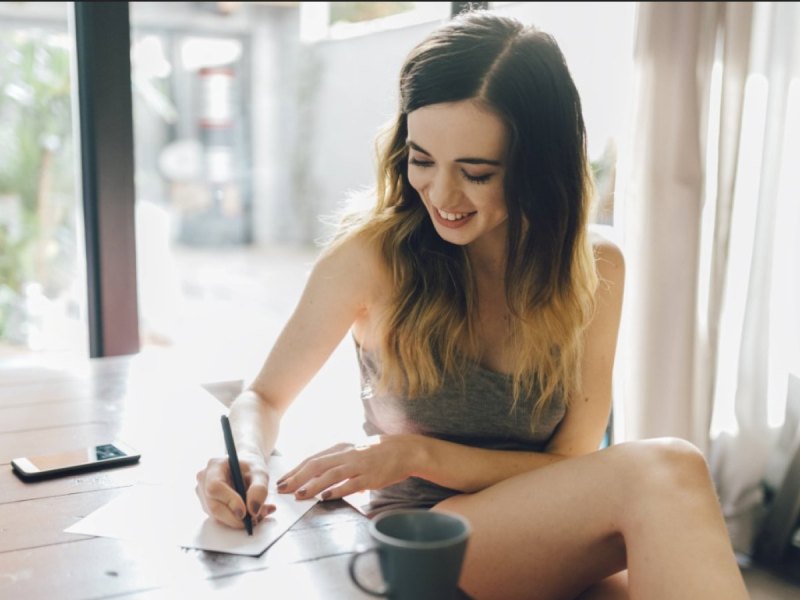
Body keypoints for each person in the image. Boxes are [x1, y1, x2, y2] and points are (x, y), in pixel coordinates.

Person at [196, 10, 749, 600]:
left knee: (666, 507)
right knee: (665, 471)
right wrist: (243, 456)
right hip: (421, 544)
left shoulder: (595, 266)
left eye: (476, 173)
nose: (440, 194)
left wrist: (417, 452)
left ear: (540, 168)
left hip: (540, 536)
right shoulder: (373, 256)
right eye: (422, 159)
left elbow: (571, 461)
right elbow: (263, 397)